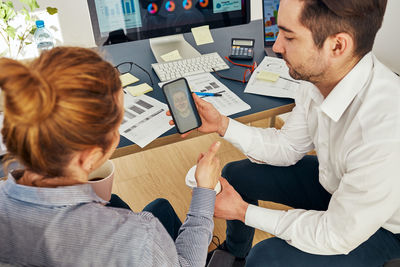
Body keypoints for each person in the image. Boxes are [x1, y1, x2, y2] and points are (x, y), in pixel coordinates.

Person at [169, 0, 400, 266]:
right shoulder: (317, 79)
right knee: (236, 175)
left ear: (337, 45)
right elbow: (287, 147)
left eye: (289, 36)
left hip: (383, 229)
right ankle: (234, 255)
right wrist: (221, 123)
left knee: (266, 257)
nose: (276, 47)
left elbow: (335, 233)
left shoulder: (385, 130)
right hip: (339, 187)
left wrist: (243, 212)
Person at [0, 47, 222, 266]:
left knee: (151, 206)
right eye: (118, 124)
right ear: (90, 156)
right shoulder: (138, 238)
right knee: (159, 209)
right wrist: (204, 192)